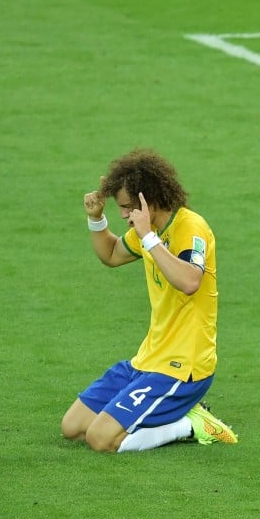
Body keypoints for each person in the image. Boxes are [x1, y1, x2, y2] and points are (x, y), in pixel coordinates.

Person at [62, 149, 238, 451]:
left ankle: (193, 425)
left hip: (184, 368)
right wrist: (96, 219)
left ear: (149, 200)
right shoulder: (149, 231)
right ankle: (174, 415)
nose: (124, 215)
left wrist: (148, 237)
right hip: (148, 359)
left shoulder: (190, 227)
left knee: (101, 439)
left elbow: (190, 281)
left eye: (128, 207)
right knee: (74, 428)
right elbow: (112, 254)